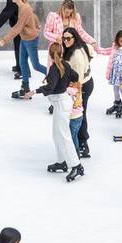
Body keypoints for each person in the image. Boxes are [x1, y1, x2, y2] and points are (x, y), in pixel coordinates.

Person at [0, 0, 46, 96]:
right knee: (22, 62)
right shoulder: (23, 6)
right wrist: (37, 24)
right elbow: (33, 15)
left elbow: (18, 27)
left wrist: (4, 40)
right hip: (24, 39)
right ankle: (25, 88)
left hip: (31, 40)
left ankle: (55, 77)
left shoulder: (24, 8)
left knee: (36, 65)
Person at [37, 42, 78, 174]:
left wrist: (34, 91)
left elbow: (50, 87)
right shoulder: (64, 65)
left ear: (50, 54)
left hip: (62, 102)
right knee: (56, 134)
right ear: (61, 52)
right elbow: (75, 76)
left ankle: (76, 166)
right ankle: (62, 161)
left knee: (64, 135)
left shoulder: (55, 68)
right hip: (61, 102)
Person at [62, 25, 95, 159]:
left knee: (80, 114)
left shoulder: (76, 56)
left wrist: (77, 97)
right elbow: (92, 51)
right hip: (83, 82)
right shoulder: (79, 47)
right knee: (79, 114)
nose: (65, 41)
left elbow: (79, 78)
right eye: (63, 38)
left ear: (75, 38)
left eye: (68, 38)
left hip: (83, 85)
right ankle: (80, 141)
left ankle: (83, 143)